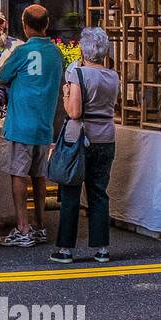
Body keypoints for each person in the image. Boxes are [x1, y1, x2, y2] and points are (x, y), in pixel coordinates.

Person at [0, 3, 63, 247]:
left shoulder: (21, 52)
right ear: (47, 25)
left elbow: (1, 77)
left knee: (19, 175)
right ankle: (41, 224)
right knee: (39, 175)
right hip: (44, 125)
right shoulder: (55, 53)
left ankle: (22, 227)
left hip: (21, 124)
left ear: (25, 25)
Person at [52, 27, 119, 264]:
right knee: (98, 192)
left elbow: (75, 111)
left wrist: (65, 95)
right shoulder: (113, 75)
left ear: (83, 49)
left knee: (71, 193)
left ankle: (66, 249)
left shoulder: (78, 74)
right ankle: (101, 248)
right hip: (106, 137)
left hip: (79, 137)